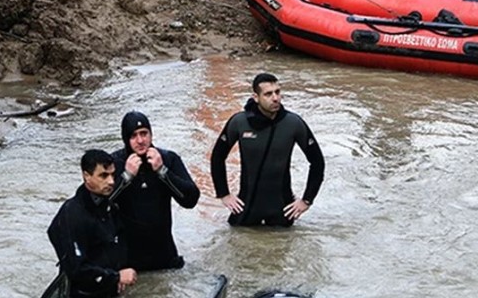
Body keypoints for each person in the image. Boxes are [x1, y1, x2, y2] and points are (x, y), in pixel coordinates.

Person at [210, 72, 325, 227]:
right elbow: (217, 157)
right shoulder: (239, 122)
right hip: (247, 207)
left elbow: (317, 161)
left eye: (278, 92)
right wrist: (223, 194)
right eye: (268, 94)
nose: (275, 98)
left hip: (282, 208)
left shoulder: (293, 123)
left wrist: (306, 200)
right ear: (256, 97)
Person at [110, 111, 201, 271]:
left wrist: (162, 172)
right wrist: (126, 177)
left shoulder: (168, 159)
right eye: (133, 136)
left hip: (164, 255)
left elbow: (190, 200)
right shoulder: (115, 163)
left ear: (151, 134)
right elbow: (98, 206)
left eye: (144, 134)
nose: (140, 140)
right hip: (128, 260)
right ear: (125, 139)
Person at [47, 149, 137, 297]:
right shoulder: (72, 214)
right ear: (86, 176)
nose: (111, 181)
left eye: (112, 174)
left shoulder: (110, 207)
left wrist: (120, 272)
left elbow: (120, 242)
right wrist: (117, 277)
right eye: (103, 175)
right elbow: (77, 270)